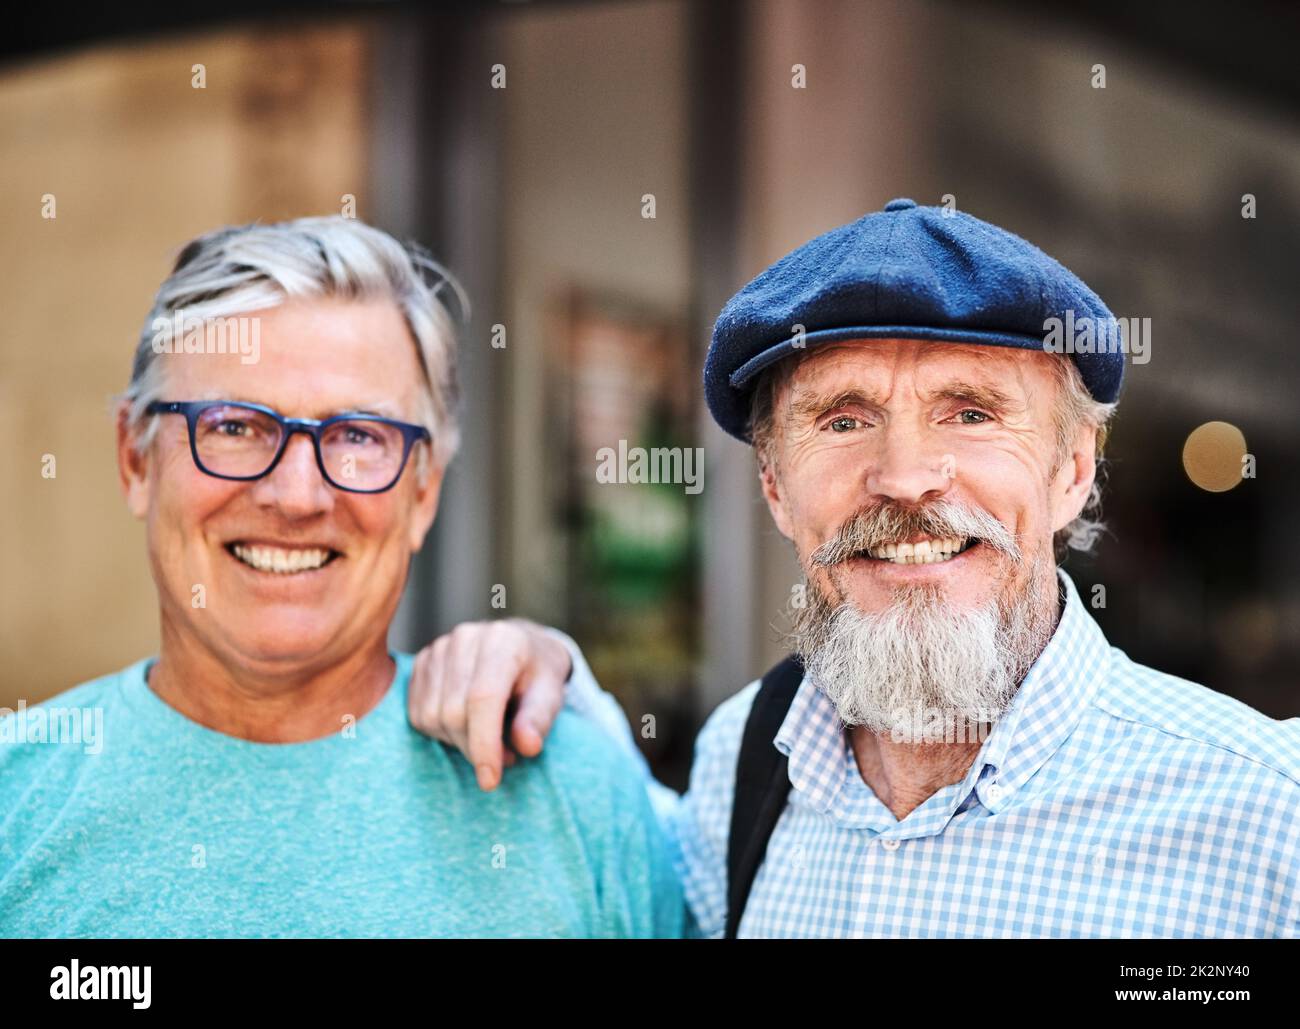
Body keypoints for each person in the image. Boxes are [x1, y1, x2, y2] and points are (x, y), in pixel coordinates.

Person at [409, 199, 1300, 938]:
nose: (905, 476)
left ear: (1072, 469)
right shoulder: (743, 764)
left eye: (971, 412)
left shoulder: (1265, 817)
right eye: (842, 419)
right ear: (773, 486)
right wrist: (534, 658)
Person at [0, 217, 682, 939]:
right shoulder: (17, 799)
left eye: (357, 436)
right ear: (135, 461)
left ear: (424, 493)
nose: (296, 496)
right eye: (235, 426)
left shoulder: (577, 800)